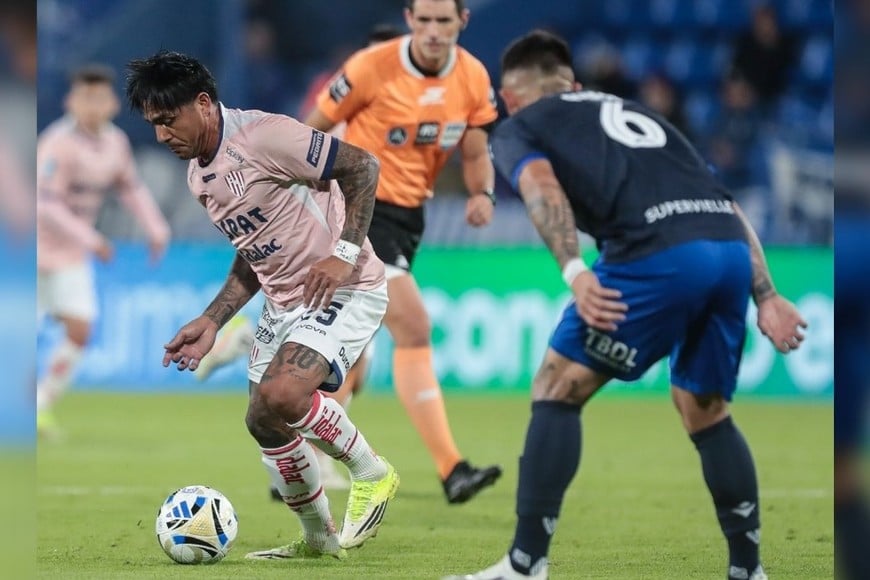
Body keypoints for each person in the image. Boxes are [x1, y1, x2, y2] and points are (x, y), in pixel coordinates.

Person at [444, 30, 807, 580]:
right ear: (574, 85)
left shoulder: (521, 126)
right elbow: (723, 201)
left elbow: (542, 188)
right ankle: (748, 570)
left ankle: (523, 566)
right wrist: (768, 293)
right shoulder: (643, 118)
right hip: (729, 250)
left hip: (658, 256)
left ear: (509, 98)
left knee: (557, 384)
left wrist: (574, 271)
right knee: (705, 409)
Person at [125, 50, 399, 559]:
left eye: (168, 121)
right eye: (154, 125)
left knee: (282, 396)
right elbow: (253, 254)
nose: (162, 136)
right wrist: (211, 319)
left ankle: (372, 472)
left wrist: (342, 255)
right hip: (284, 303)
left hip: (343, 286)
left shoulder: (264, 136)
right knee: (263, 420)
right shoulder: (198, 177)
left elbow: (363, 166)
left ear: (203, 103)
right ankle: (318, 539)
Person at [303, 0, 502, 505]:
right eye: (425, 20)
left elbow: (476, 152)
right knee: (412, 327)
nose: (434, 31)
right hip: (360, 206)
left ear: (463, 22)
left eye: (445, 21)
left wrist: (483, 193)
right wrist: (304, 195)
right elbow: (312, 129)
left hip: (410, 215)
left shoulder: (474, 78)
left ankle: (301, 444)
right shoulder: (372, 66)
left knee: (356, 358)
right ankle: (451, 467)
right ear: (410, 20)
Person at [194, 23, 405, 495]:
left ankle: (332, 460)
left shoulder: (406, 109)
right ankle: (337, 478)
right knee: (298, 390)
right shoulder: (338, 96)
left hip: (370, 222)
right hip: (345, 225)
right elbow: (317, 146)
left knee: (343, 369)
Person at [36, 64, 171, 436]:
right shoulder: (57, 142)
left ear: (112, 104)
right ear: (70, 101)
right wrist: (92, 239)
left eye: (99, 98)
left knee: (80, 329)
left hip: (68, 255)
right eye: (85, 97)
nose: (92, 106)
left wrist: (156, 227)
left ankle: (40, 403)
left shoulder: (115, 143)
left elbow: (130, 188)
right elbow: (44, 204)